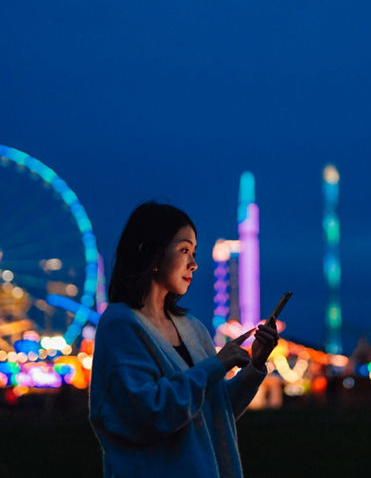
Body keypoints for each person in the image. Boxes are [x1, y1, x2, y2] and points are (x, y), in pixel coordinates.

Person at [89, 202, 278, 478]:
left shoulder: (193, 328)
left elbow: (214, 412)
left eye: (194, 252)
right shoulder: (120, 325)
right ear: (150, 252)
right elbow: (149, 414)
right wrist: (216, 365)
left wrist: (255, 366)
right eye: (184, 250)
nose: (194, 263)